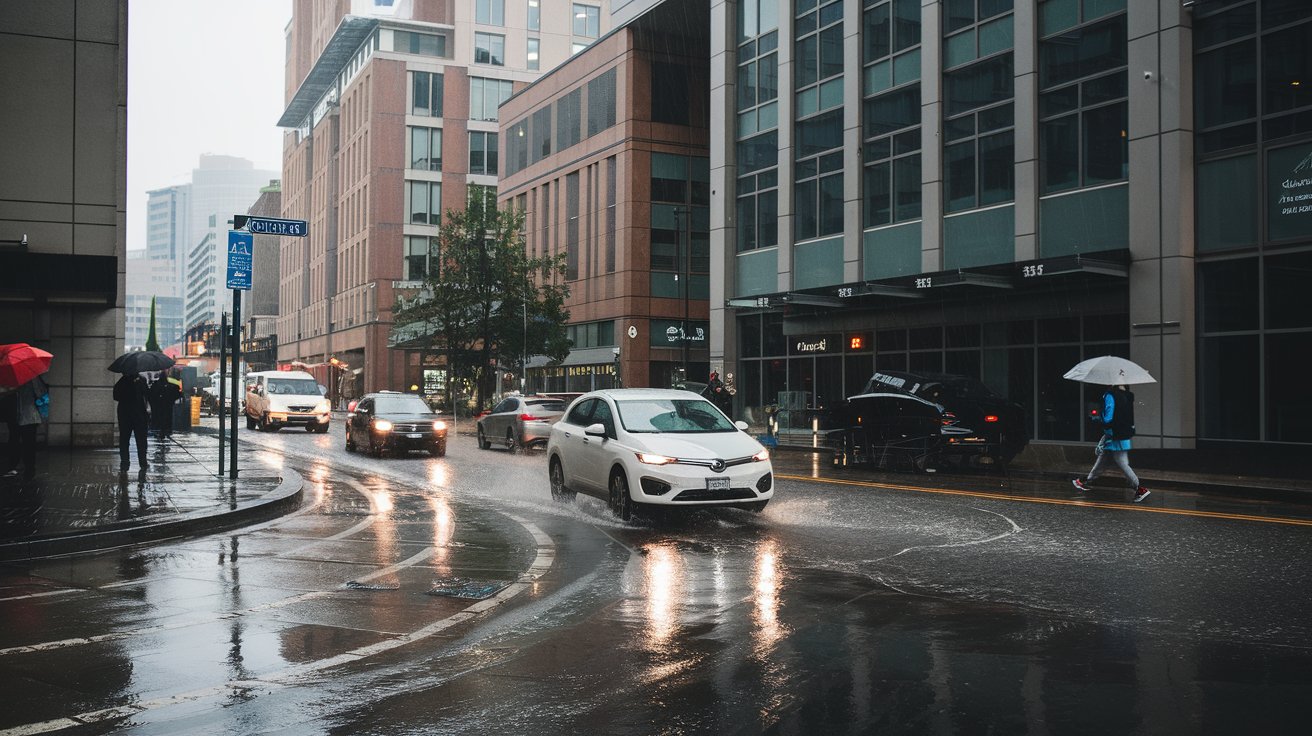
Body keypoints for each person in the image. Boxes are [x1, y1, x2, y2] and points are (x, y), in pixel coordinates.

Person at [1073, 384, 1149, 502]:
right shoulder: (1128, 395)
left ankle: (1139, 488)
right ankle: (1085, 481)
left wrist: (1099, 418)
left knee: (1121, 462)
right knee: (1104, 459)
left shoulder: (1111, 395)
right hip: (1124, 433)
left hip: (1114, 434)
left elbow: (1108, 418)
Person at [2, 375, 47, 481]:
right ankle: (27, 469)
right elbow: (41, 392)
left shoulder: (9, 376)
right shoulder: (31, 376)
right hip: (26, 415)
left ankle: (16, 467)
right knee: (27, 443)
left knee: (16, 440)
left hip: (17, 415)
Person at [114, 372, 151, 473]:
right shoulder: (140, 380)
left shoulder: (122, 381)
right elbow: (147, 395)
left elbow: (116, 396)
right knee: (141, 440)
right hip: (138, 415)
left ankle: (125, 462)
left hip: (126, 415)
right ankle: (142, 462)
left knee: (125, 440)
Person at [149, 371, 183, 438]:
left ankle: (160, 431)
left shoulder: (155, 384)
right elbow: (177, 394)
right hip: (168, 406)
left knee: (159, 420)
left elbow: (150, 396)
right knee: (167, 420)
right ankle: (166, 431)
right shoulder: (172, 384)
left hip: (158, 407)